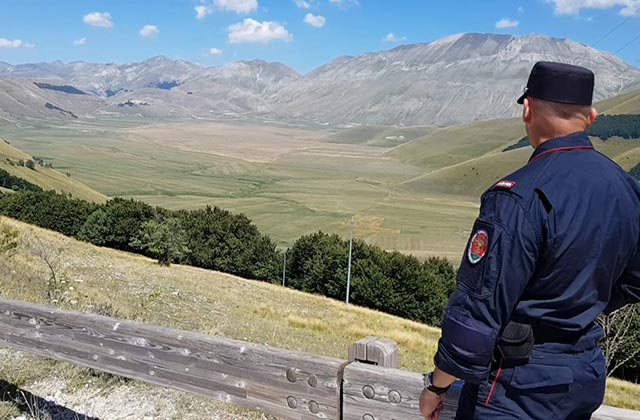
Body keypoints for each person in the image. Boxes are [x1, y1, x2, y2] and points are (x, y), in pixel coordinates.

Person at [419, 61, 640, 420]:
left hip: (518, 385)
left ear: (527, 108)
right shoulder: (627, 189)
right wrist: (578, 306)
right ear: (592, 117)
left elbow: (478, 311)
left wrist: (437, 386)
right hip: (584, 375)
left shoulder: (517, 197)